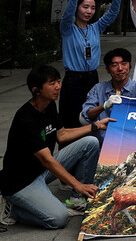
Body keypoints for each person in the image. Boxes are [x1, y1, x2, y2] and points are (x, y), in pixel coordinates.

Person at [0, 66, 113, 229]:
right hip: (21, 181)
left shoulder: (49, 105)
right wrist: (77, 184)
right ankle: (14, 210)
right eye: (52, 83)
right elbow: (47, 160)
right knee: (59, 218)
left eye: (59, 82)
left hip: (41, 170)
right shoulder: (25, 118)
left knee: (90, 142)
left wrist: (95, 126)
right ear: (36, 90)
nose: (58, 86)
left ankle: (77, 200)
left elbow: (62, 135)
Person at [59, 0, 123, 128]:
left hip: (92, 78)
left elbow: (112, 14)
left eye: (93, 8)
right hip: (73, 80)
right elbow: (68, 12)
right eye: (85, 7)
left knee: (91, 116)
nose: (89, 11)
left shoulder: (95, 28)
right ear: (77, 7)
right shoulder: (67, 28)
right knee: (71, 119)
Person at [80, 45, 136, 144]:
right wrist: (104, 106)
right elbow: (88, 115)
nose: (120, 68)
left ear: (130, 65)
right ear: (107, 69)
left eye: (124, 64)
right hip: (104, 144)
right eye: (114, 65)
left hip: (133, 143)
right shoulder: (98, 89)